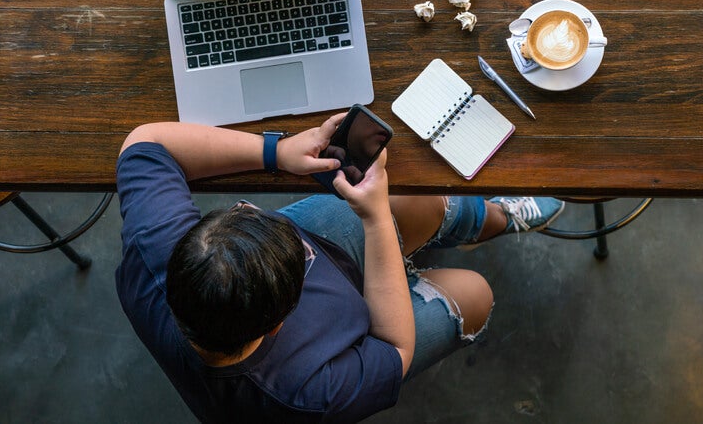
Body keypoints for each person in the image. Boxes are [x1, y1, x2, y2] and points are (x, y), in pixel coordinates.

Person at [115, 113, 564, 423]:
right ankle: (429, 260)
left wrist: (279, 152)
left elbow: (145, 142)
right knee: (475, 294)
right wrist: (373, 219)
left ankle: (491, 219)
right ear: (278, 326)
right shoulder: (303, 397)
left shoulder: (154, 250)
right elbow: (395, 351)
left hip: (318, 286)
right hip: (371, 337)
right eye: (301, 259)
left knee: (418, 202)